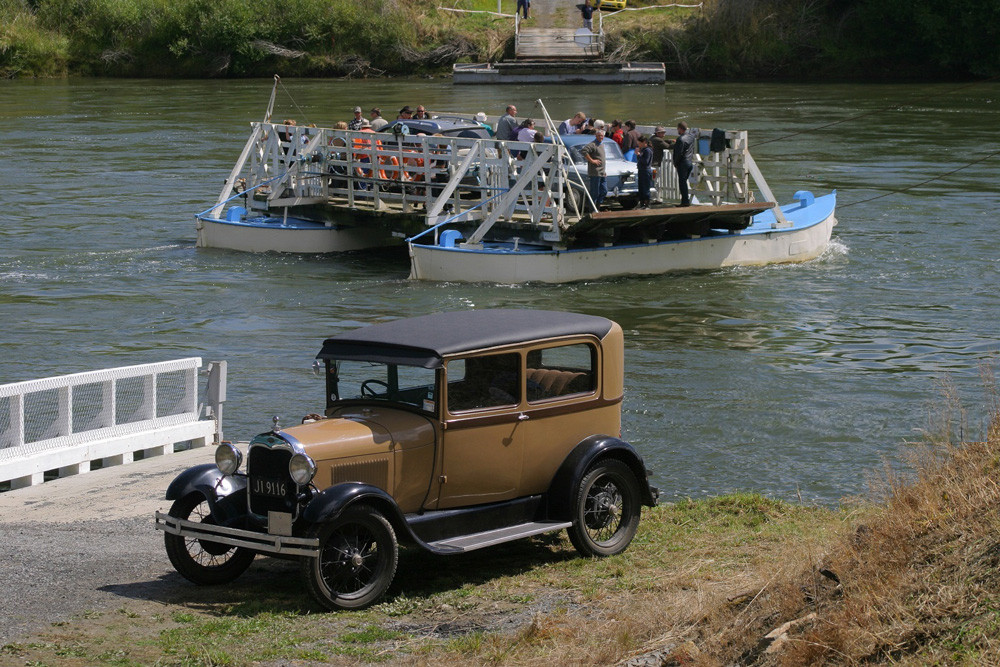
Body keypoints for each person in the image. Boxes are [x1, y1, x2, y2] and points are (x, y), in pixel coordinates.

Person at [580, 126, 607, 210]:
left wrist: (604, 171)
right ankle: (593, 210)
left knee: (604, 191)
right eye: (599, 136)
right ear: (596, 136)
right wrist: (592, 161)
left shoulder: (602, 144)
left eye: (602, 136)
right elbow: (584, 151)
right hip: (595, 172)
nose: (601, 137)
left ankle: (598, 207)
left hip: (602, 172)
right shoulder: (593, 144)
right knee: (595, 192)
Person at [672, 121, 699, 207]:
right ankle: (685, 201)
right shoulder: (691, 137)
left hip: (682, 163)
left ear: (680, 128)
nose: (677, 130)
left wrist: (675, 163)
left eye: (678, 129)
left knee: (682, 183)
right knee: (684, 182)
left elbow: (679, 153)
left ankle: (685, 202)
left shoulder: (680, 139)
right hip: (689, 162)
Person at [635, 134, 653, 208]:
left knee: (645, 188)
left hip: (645, 171)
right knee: (641, 188)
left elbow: (646, 161)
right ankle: (642, 203)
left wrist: (639, 155)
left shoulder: (647, 150)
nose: (638, 145)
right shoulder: (643, 150)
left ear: (644, 142)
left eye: (639, 143)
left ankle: (646, 204)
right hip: (641, 170)